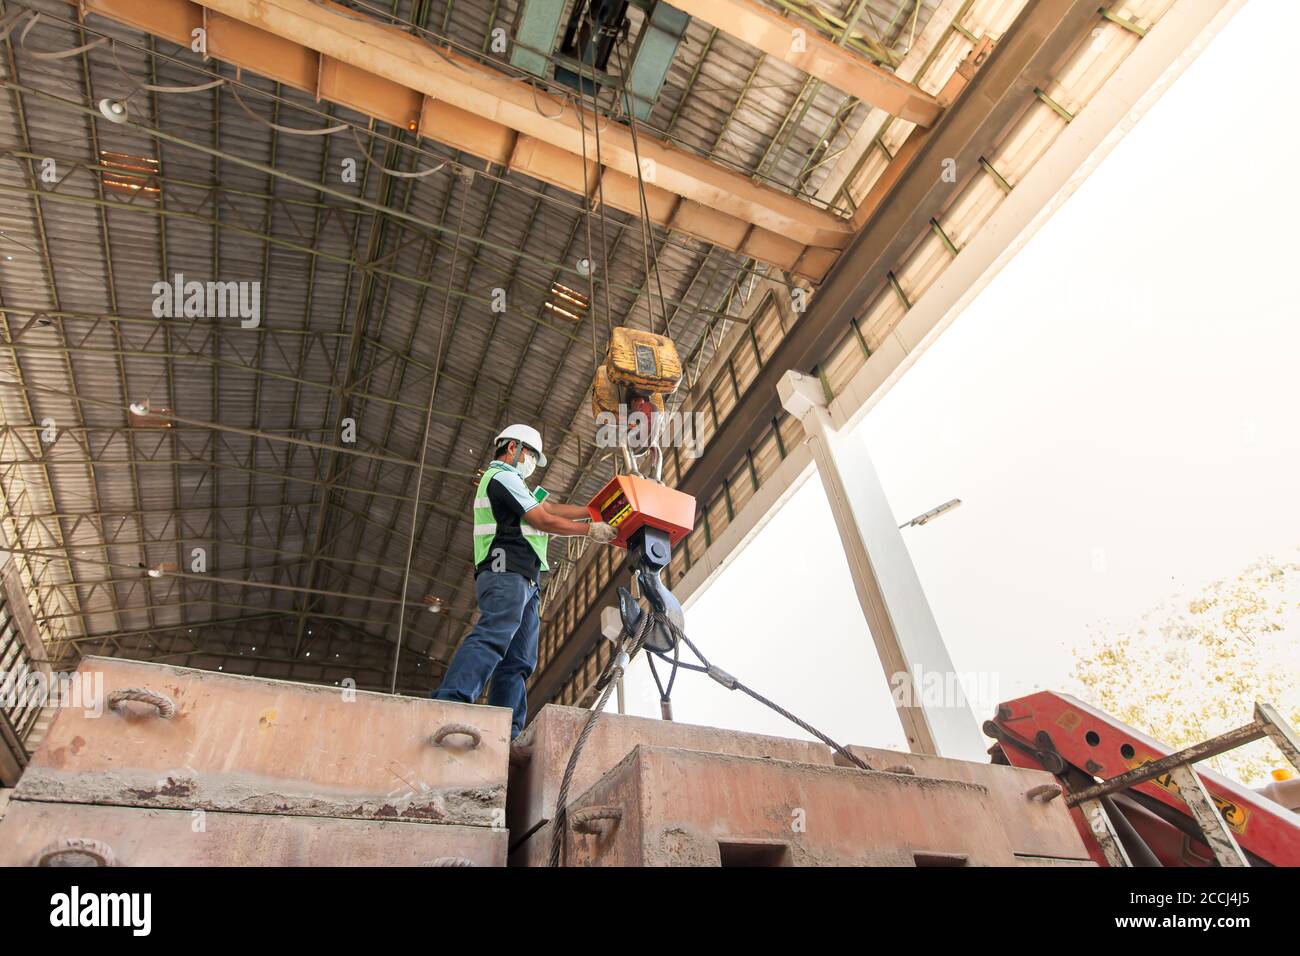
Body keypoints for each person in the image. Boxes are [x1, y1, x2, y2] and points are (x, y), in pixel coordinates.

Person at [432, 424, 617, 737]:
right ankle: (451, 701)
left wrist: (592, 510)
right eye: (531, 453)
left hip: (527, 579)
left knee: (519, 659)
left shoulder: (518, 485)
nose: (532, 460)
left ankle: (508, 730)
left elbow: (548, 507)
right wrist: (589, 529)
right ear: (512, 448)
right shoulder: (501, 476)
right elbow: (541, 519)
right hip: (505, 570)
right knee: (494, 634)